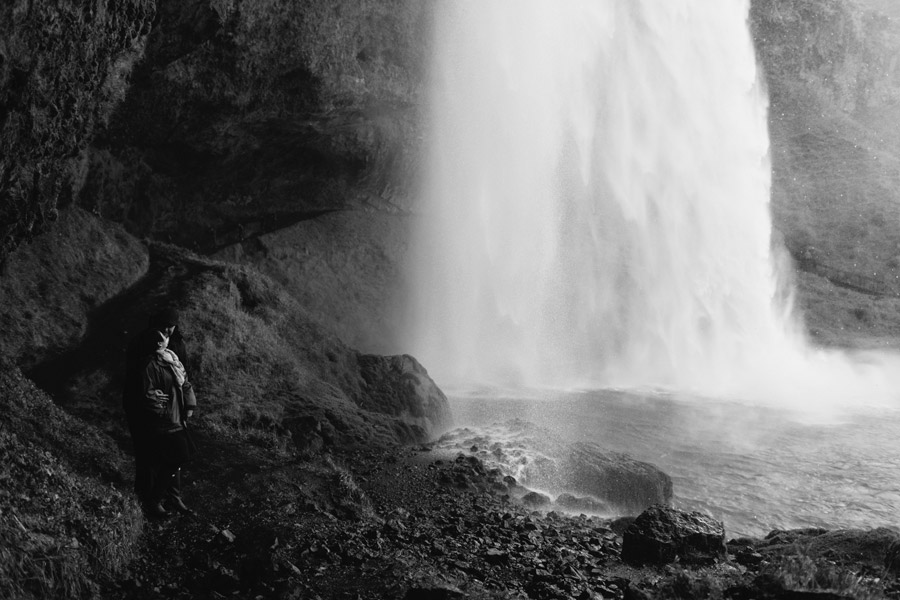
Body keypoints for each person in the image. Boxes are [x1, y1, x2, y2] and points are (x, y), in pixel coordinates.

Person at [123, 308, 197, 517]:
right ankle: (149, 500)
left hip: (173, 410)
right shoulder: (143, 347)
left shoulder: (174, 346)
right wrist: (149, 399)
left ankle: (168, 497)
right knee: (151, 456)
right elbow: (136, 381)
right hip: (151, 413)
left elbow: (183, 377)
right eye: (163, 327)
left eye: (170, 327)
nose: (166, 332)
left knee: (174, 455)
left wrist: (188, 405)